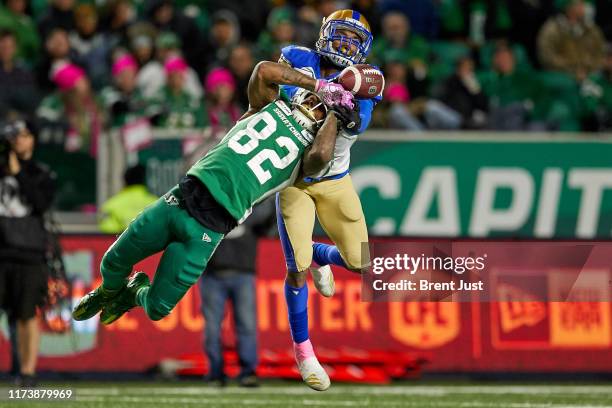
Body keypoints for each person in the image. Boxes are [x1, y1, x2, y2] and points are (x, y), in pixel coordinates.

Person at [72, 60, 355, 339]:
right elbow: (264, 70)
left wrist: (333, 118)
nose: (315, 107)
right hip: (179, 200)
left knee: (157, 308)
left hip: (208, 230)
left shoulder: (308, 157)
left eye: (323, 108)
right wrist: (317, 84)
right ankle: (107, 292)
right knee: (111, 262)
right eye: (315, 100)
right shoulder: (267, 106)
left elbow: (319, 158)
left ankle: (134, 293)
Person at [274, 9, 381, 391]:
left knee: (360, 262)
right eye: (341, 36)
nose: (345, 45)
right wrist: (312, 86)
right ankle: (304, 351)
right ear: (324, 34)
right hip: (293, 180)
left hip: (334, 180)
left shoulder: (363, 82)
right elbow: (275, 85)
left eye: (354, 41)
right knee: (295, 269)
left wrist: (342, 99)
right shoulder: (299, 57)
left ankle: (322, 255)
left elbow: (357, 122)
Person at [0, 120, 56, 387]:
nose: (18, 141)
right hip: (1, 249)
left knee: (26, 314)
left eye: (23, 135)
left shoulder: (40, 173)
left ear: (32, 139)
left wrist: (18, 173)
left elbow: (40, 203)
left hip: (28, 252)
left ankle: (28, 371)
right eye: (14, 136)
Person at [199, 198, 275, 388]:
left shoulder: (250, 210)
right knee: (215, 327)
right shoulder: (212, 209)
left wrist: (276, 195)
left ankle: (247, 371)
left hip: (240, 275)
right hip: (215, 276)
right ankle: (217, 372)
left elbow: (269, 216)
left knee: (244, 326)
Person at [537, 0, 606, 80]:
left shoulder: (591, 29)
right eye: (579, 4)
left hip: (589, 74)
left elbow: (599, 52)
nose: (583, 7)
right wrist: (573, 70)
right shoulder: (552, 29)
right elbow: (547, 57)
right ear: (568, 7)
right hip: (561, 76)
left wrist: (589, 68)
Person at [98, 165, 157, 234]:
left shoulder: (111, 205)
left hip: (125, 243)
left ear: (125, 181)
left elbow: (108, 232)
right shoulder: (157, 203)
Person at [0, 29, 39, 120]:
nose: (6, 50)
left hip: (23, 118)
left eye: (9, 47)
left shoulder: (23, 72)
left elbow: (31, 98)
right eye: (3, 46)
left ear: (15, 48)